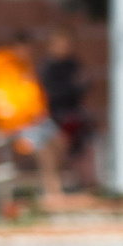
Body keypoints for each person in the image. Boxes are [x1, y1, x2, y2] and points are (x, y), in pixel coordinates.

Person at [0, 34, 68, 210]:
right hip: (16, 123)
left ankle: (53, 182)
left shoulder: (25, 65)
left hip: (35, 118)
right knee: (43, 148)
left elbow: (32, 92)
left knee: (61, 141)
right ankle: (51, 190)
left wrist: (40, 111)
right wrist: (12, 120)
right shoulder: (2, 64)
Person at [38, 28, 94, 194]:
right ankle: (54, 190)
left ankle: (86, 187)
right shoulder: (48, 67)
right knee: (55, 154)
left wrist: (82, 84)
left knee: (84, 151)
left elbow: (83, 86)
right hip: (55, 116)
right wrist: (72, 87)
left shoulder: (73, 64)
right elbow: (51, 93)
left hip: (73, 115)